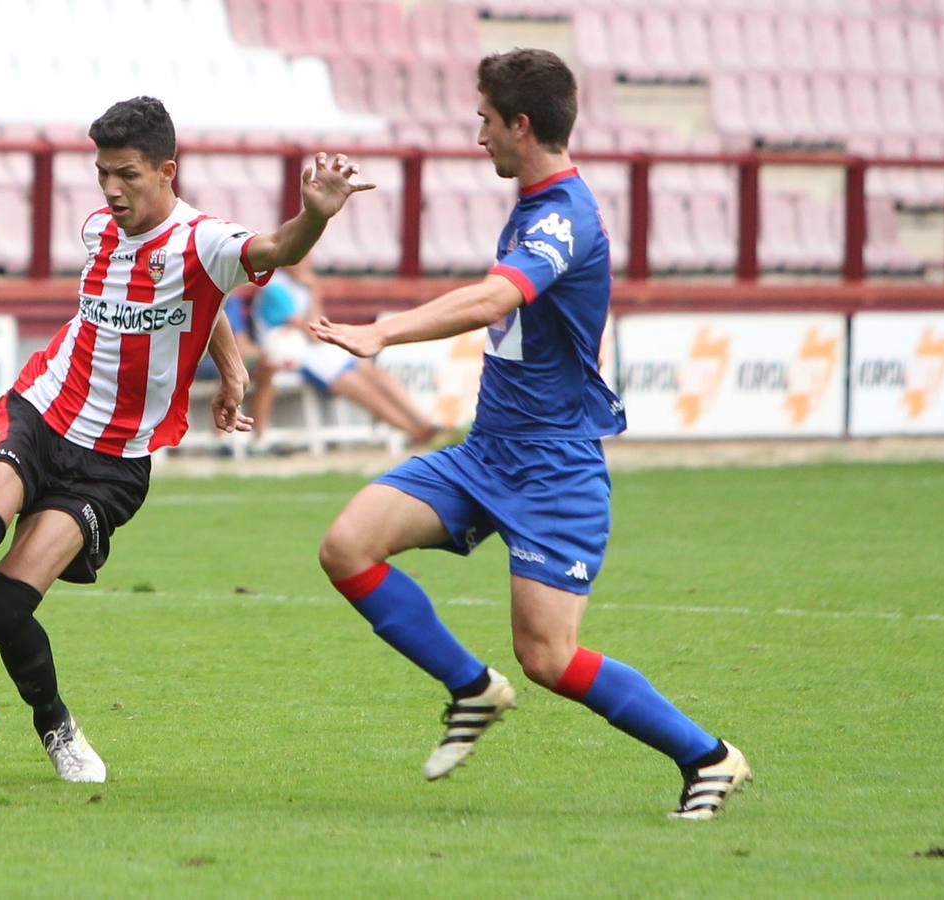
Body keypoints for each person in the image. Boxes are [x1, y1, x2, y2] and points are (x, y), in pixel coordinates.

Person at [0, 96, 373, 782]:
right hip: (40, 411)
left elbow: (270, 253)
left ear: (168, 171)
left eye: (128, 174)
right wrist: (229, 364)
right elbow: (186, 303)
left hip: (110, 465)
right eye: (103, 172)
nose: (112, 189)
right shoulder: (98, 230)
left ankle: (57, 726)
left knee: (4, 605)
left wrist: (314, 214)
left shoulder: (204, 239)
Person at [309, 49, 750, 820]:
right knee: (346, 546)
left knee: (548, 657)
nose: (476, 135)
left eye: (484, 120)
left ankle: (707, 757)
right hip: (487, 454)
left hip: (553, 470)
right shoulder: (536, 201)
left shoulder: (564, 217)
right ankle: (471, 688)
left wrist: (383, 332)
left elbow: (491, 299)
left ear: (520, 124)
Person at [243, 257, 439, 451]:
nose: (306, 263)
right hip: (296, 358)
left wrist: (314, 291)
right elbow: (313, 334)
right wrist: (315, 293)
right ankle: (416, 432)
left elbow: (315, 327)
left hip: (315, 351)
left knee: (374, 374)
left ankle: (425, 423)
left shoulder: (301, 286)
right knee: (364, 391)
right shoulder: (275, 288)